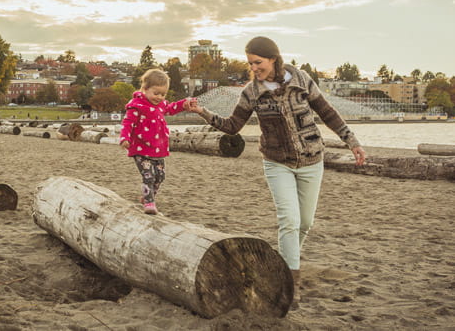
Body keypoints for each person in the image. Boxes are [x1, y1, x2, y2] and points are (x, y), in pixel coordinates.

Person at [183, 36, 367, 305]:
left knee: (305, 223)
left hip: (312, 160)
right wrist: (203, 112)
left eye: (258, 62)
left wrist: (352, 142)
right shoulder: (251, 92)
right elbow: (233, 125)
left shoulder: (301, 80)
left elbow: (327, 113)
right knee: (289, 222)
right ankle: (291, 284)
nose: (254, 68)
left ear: (273, 58)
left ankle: (282, 264)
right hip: (276, 162)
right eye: (250, 64)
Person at [119, 68, 195, 215]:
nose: (159, 97)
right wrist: (124, 138)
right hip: (141, 149)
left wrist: (184, 103)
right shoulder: (137, 106)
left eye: (163, 94)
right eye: (156, 93)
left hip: (158, 149)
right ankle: (149, 202)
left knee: (160, 176)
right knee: (148, 175)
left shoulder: (160, 105)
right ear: (145, 89)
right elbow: (128, 123)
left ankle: (148, 196)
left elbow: (172, 108)